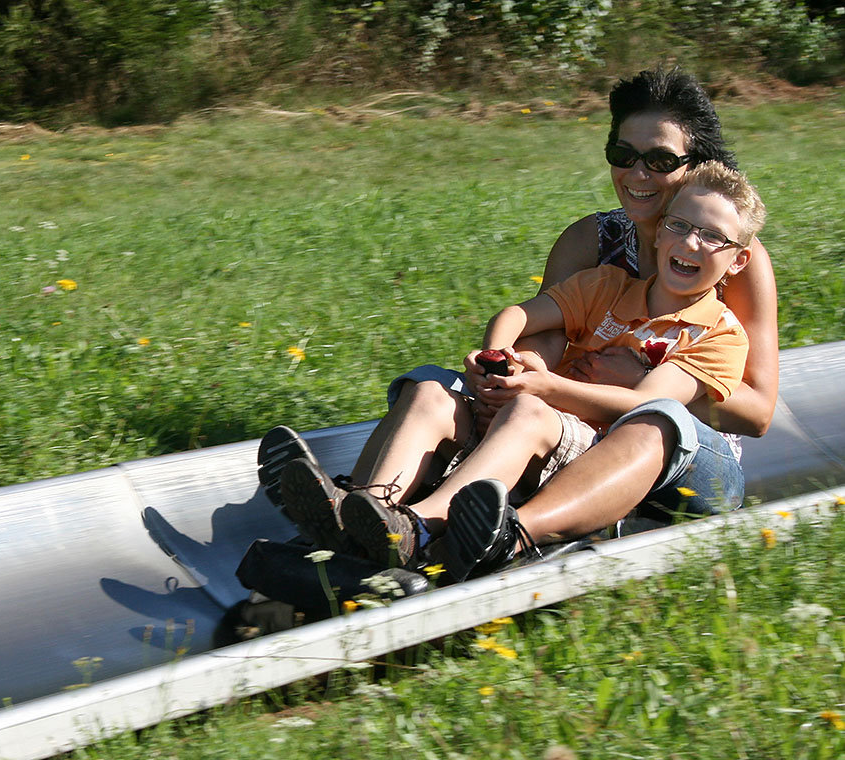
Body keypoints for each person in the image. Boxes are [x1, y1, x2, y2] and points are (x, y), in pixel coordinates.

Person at [257, 67, 779, 579]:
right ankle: (362, 515)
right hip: (566, 421)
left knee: (657, 419)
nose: (638, 174)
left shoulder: (732, 256)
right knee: (434, 388)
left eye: (660, 159)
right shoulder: (593, 247)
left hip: (687, 455)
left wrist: (646, 384)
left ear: (699, 166)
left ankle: (464, 530)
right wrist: (511, 373)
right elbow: (544, 334)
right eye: (623, 155)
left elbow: (757, 414)